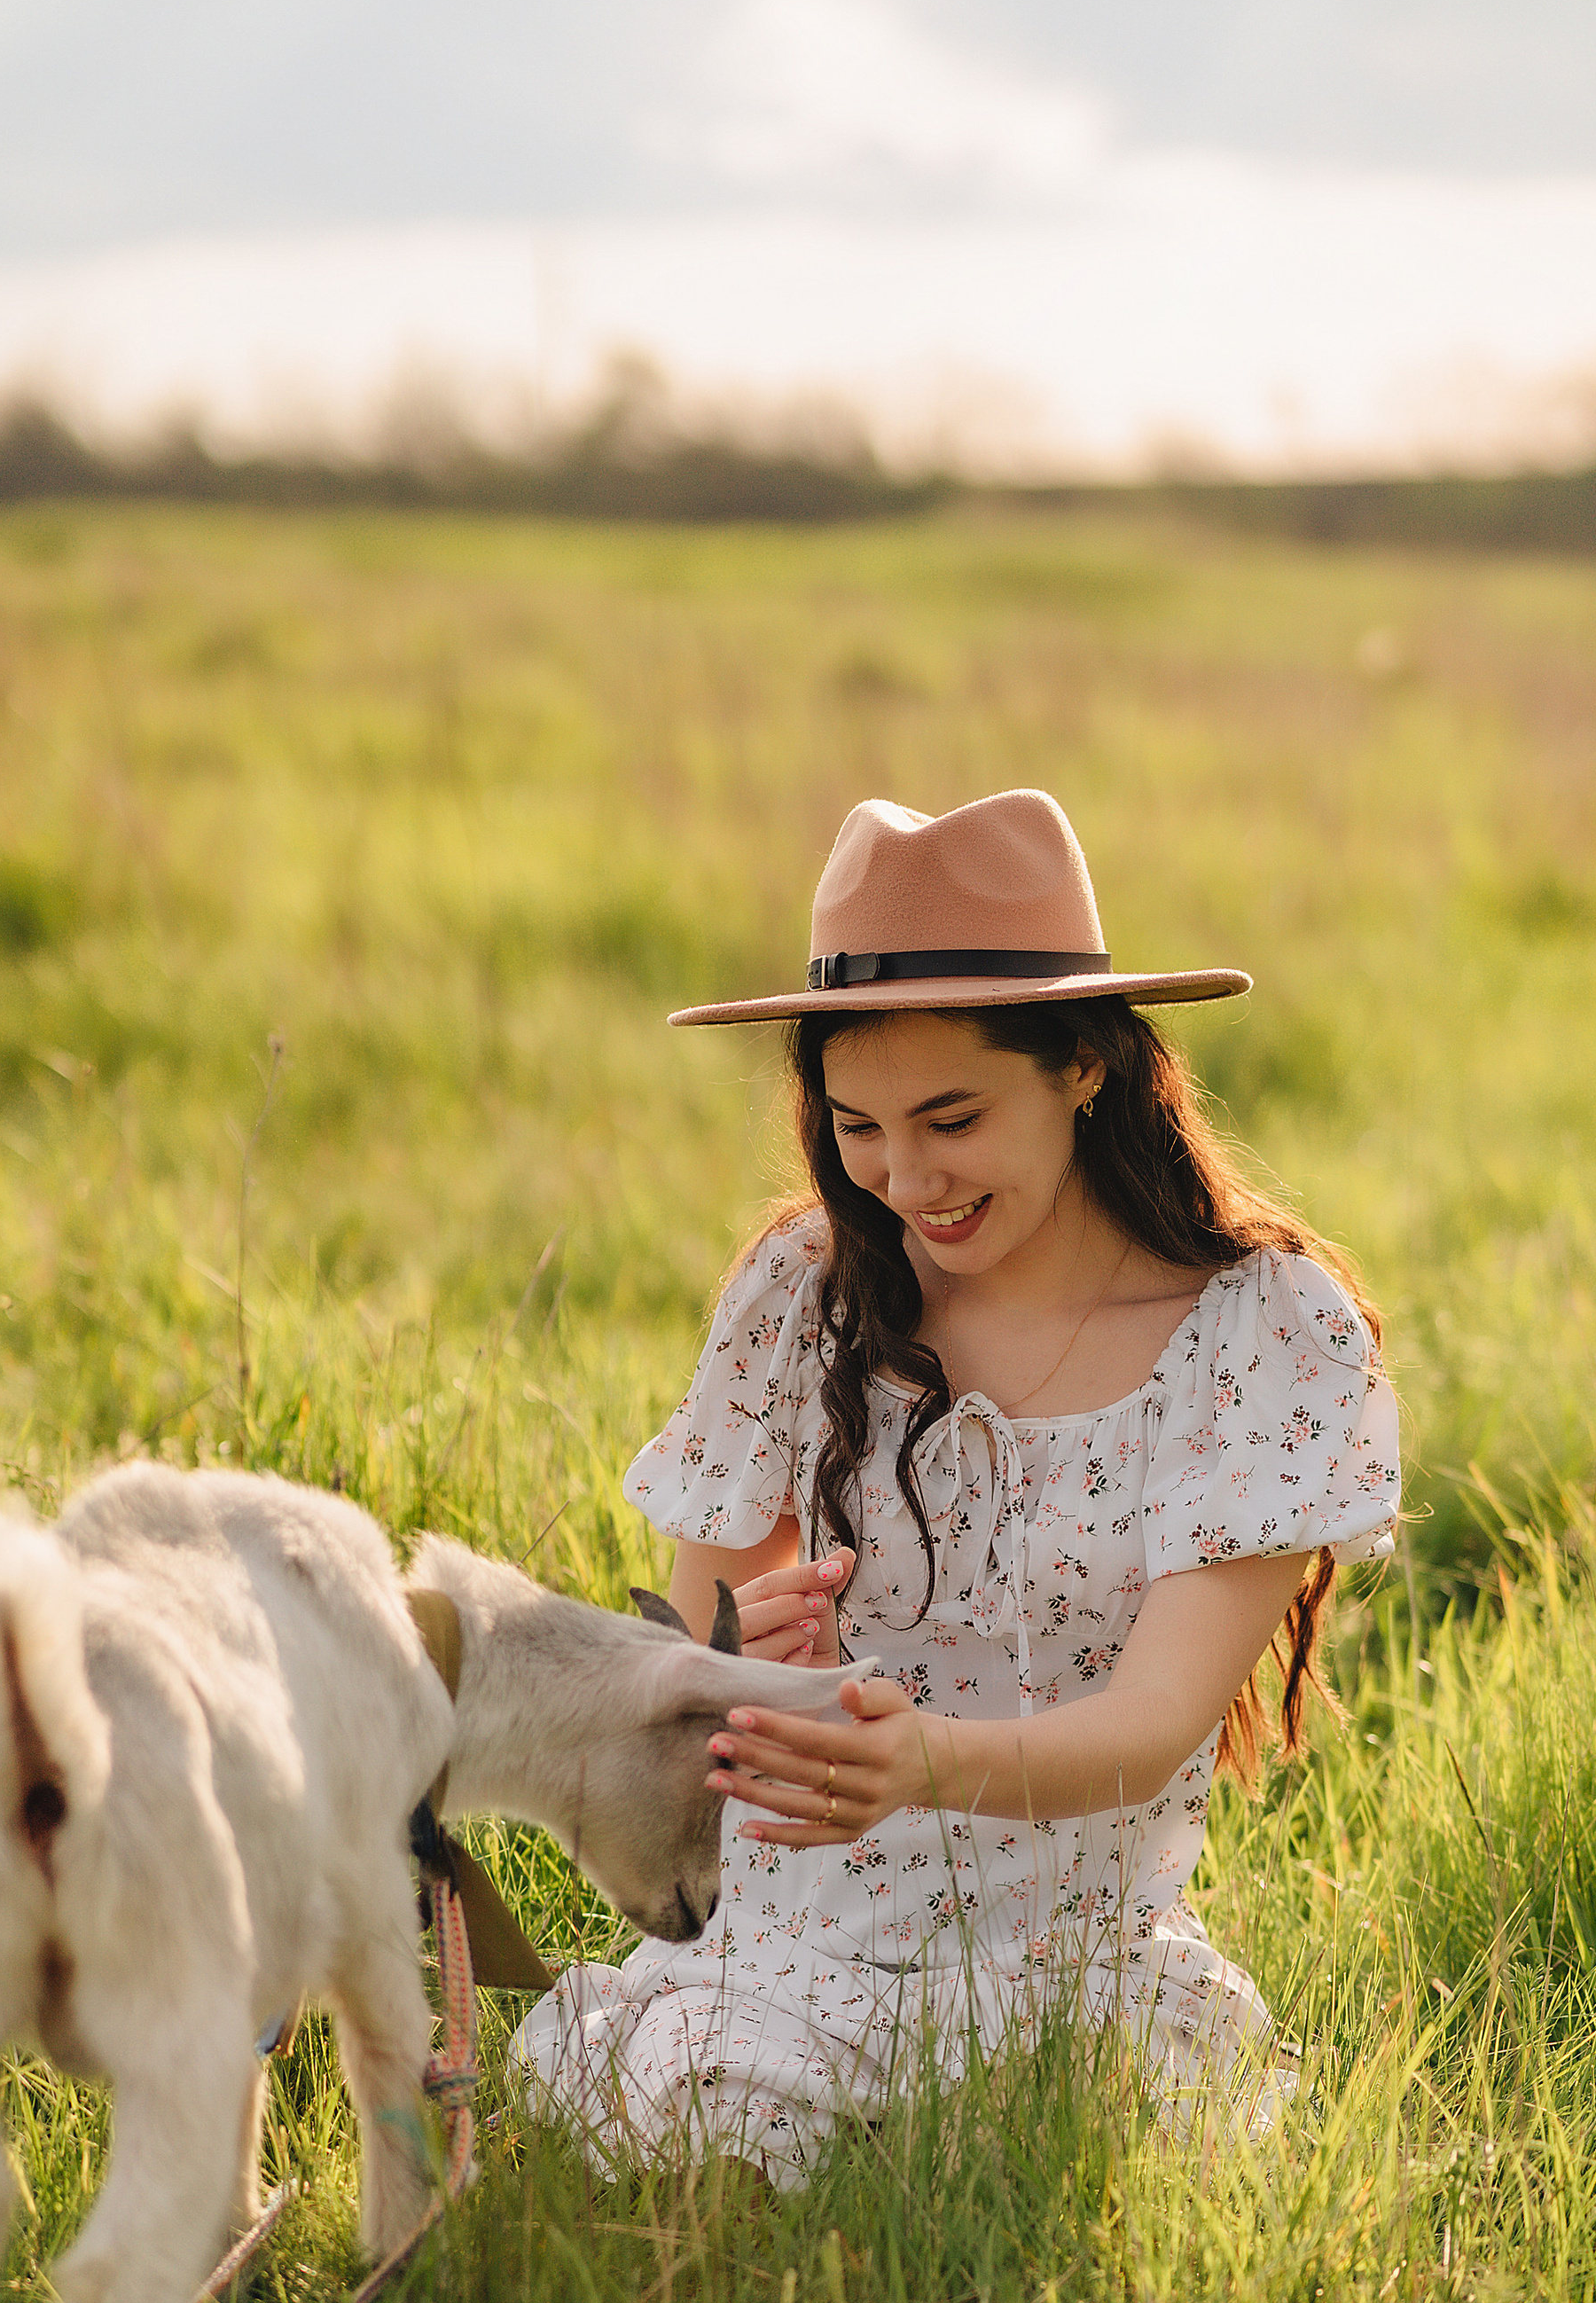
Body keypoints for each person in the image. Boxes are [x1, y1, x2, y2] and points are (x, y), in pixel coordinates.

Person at [512, 787, 1401, 2185]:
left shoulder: (1261, 1335)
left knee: (1097, 2166)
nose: (905, 1178)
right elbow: (682, 1677)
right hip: (804, 1931)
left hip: (1076, 1953)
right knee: (720, 2157)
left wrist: (923, 1760)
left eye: (951, 1116)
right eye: (856, 1124)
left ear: (1085, 1065)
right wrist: (751, 1669)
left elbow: (1158, 1722)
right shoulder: (804, 1291)